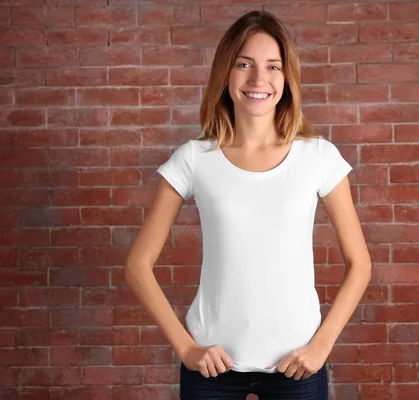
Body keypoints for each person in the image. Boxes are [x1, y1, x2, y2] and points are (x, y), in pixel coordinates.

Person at [125, 10, 371, 400]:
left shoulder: (319, 157)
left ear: (287, 78)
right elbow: (138, 265)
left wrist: (321, 346)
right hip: (213, 370)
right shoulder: (194, 159)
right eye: (244, 64)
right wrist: (187, 347)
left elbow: (360, 264)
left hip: (298, 366)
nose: (259, 80)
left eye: (273, 66)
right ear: (226, 72)